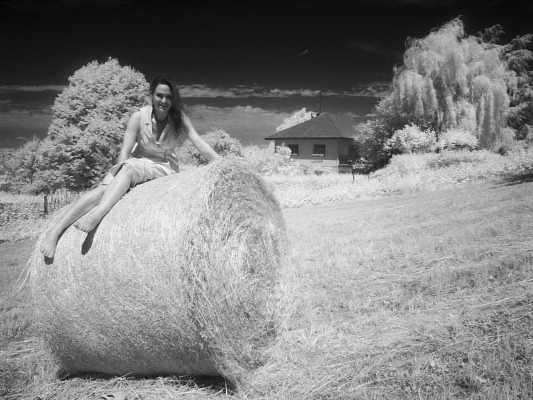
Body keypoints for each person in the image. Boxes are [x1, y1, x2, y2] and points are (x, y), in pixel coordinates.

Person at [40, 75, 220, 259]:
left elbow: (199, 143)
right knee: (103, 190)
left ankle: (98, 215)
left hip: (164, 168)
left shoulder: (179, 118)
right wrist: (113, 178)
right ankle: (54, 232)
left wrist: (222, 163)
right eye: (160, 95)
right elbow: (125, 150)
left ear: (173, 99)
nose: (164, 101)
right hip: (137, 162)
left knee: (129, 169)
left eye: (168, 97)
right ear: (152, 95)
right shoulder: (138, 117)